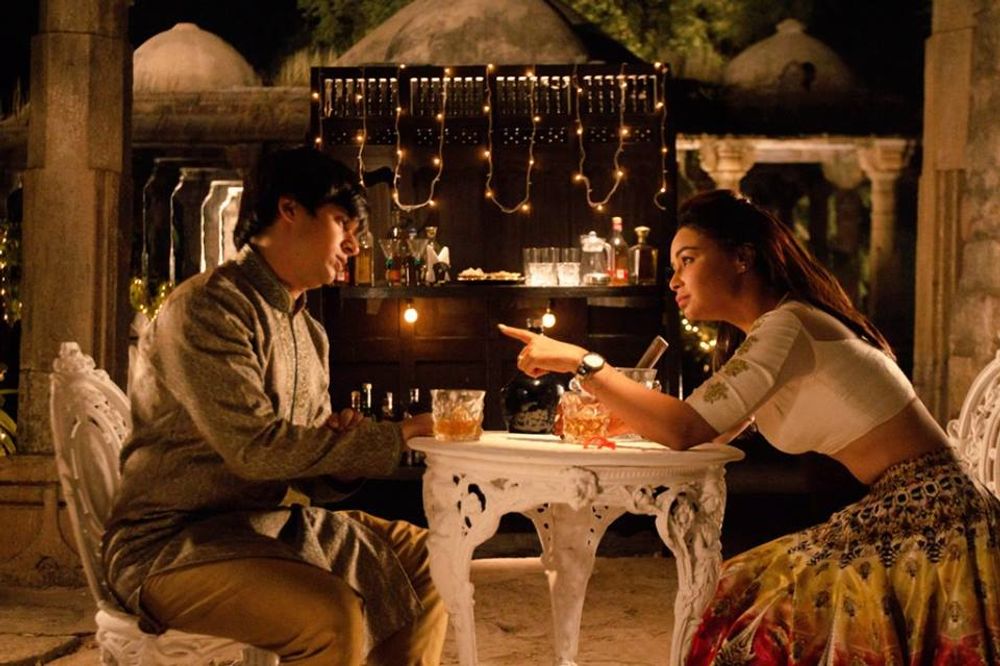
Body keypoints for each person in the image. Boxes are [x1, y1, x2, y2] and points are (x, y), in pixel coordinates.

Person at [500, 189, 1000, 665]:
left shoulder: (788, 325)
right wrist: (601, 409)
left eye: (688, 260)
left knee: (757, 595)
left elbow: (686, 428)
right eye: (674, 266)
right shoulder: (774, 333)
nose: (674, 280)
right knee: (746, 582)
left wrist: (583, 362)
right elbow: (703, 426)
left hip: (937, 518)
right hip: (903, 507)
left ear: (742, 257)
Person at [103, 147, 447, 666]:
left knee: (431, 557)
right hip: (172, 543)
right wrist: (395, 435)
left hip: (268, 525)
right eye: (342, 222)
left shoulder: (309, 331)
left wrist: (339, 453)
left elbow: (303, 473)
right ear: (289, 209)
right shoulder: (209, 307)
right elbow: (256, 452)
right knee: (329, 614)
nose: (353, 245)